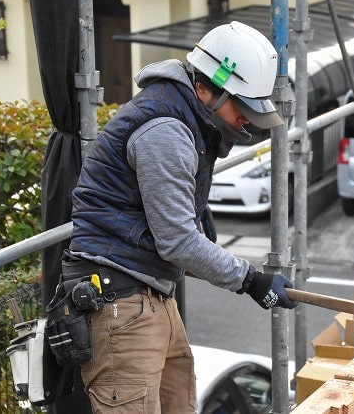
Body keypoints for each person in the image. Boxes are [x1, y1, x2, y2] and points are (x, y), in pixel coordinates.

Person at [62, 21, 297, 413]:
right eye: (242, 107)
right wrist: (251, 280)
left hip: (151, 293)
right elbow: (176, 240)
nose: (246, 122)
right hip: (120, 300)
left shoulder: (186, 118)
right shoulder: (165, 131)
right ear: (206, 87)